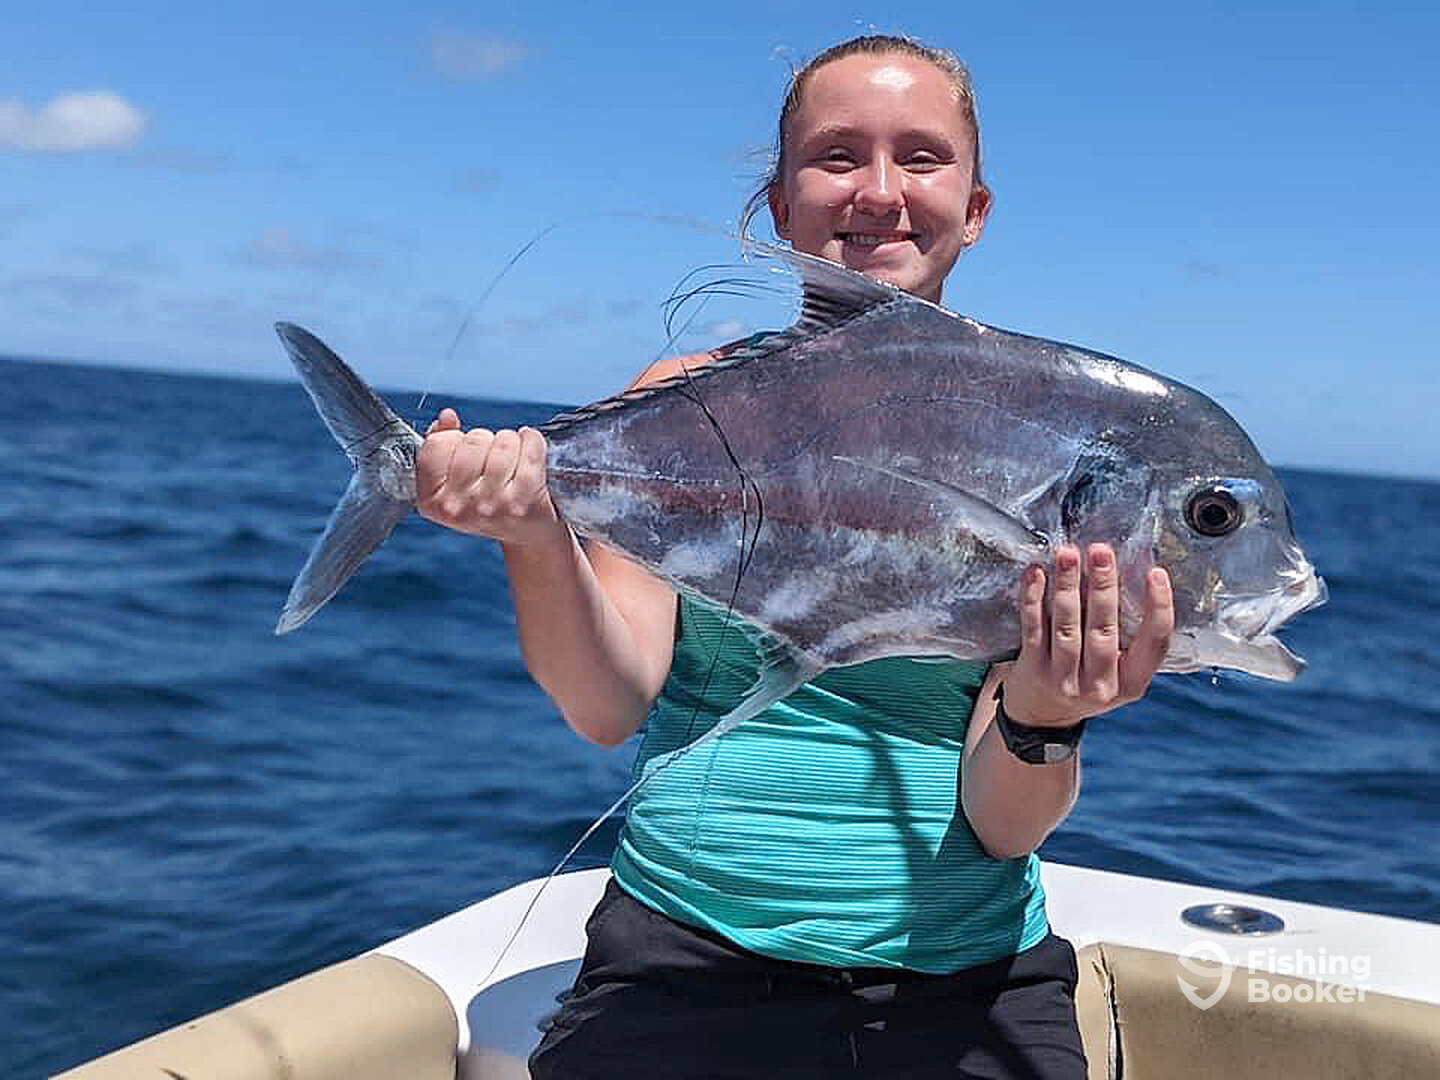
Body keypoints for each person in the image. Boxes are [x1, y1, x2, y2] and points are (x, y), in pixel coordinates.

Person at [416, 34, 1174, 1080]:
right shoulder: (681, 403)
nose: (880, 191)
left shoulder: (1036, 436)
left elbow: (1004, 831)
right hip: (679, 958)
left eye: (921, 157)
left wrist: (1046, 716)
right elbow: (607, 705)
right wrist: (536, 532)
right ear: (780, 206)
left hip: (966, 977)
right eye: (836, 156)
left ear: (975, 208)